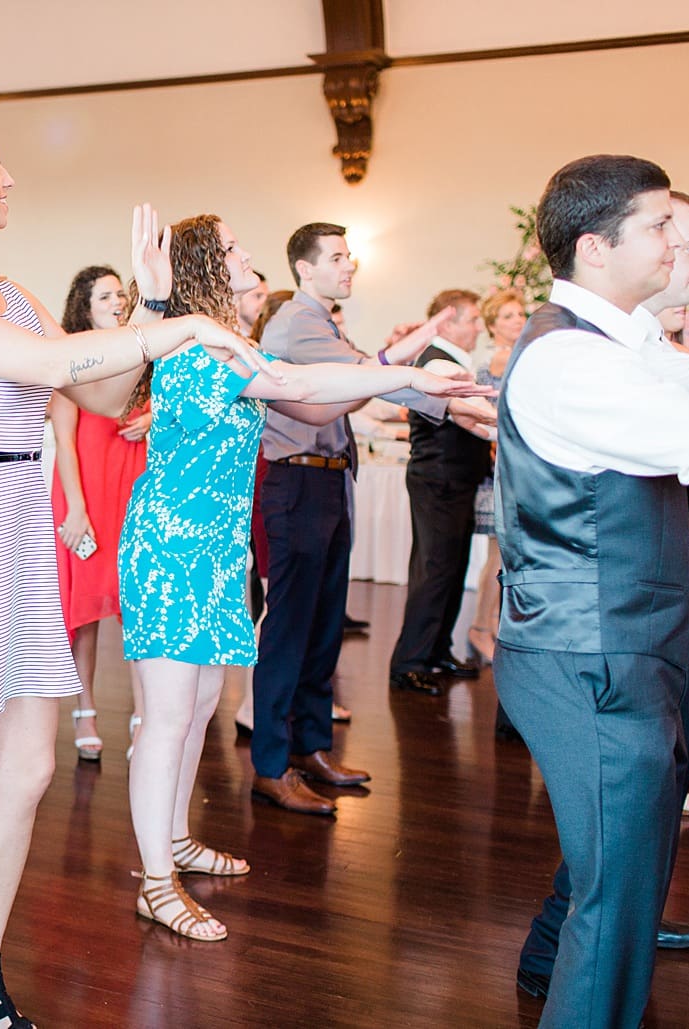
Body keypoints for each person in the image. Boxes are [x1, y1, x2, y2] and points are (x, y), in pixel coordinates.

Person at [0, 115, 272, 1028]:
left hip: (17, 527)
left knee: (27, 771)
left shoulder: (13, 292)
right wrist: (178, 320)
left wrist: (149, 309)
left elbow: (100, 396)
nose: (11, 180)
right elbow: (42, 363)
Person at [496, 155, 689, 1026]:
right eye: (659, 226)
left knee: (617, 858)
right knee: (619, 900)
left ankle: (539, 960)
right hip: (587, 648)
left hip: (632, 634)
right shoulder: (571, 358)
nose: (681, 240)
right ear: (596, 249)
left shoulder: (623, 342)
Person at [119, 213, 491, 942]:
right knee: (164, 718)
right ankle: (154, 882)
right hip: (169, 550)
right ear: (202, 266)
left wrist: (421, 390)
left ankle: (174, 838)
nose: (248, 256)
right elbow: (298, 379)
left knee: (195, 704)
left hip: (215, 550)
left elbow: (315, 401)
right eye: (232, 249)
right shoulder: (199, 344)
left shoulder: (228, 349)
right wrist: (411, 372)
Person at [248, 222, 493, 815]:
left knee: (324, 625)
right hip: (296, 481)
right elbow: (371, 376)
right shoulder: (293, 324)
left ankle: (311, 748)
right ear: (304, 269)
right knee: (289, 630)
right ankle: (271, 765)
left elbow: (370, 366)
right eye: (337, 257)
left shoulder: (324, 321)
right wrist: (452, 407)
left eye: (349, 256)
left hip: (329, 478)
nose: (350, 265)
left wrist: (433, 373)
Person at [47, 264, 148, 761]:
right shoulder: (75, 358)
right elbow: (63, 438)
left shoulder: (144, 356)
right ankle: (84, 709)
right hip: (85, 491)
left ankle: (143, 713)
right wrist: (77, 510)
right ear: (84, 307)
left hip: (134, 491)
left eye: (120, 295)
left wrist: (153, 415)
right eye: (106, 296)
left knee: (139, 607)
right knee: (86, 610)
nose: (117, 302)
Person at [388, 290, 493, 695]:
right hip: (439, 479)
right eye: (473, 320)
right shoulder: (436, 360)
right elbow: (464, 415)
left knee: (451, 569)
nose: (479, 328)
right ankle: (410, 661)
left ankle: (437, 650)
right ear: (447, 322)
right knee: (434, 571)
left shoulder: (450, 359)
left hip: (454, 479)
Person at [467, 288, 525, 668]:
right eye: (507, 316)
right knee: (498, 555)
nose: (517, 320)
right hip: (500, 467)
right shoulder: (505, 358)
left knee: (502, 555)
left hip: (511, 466)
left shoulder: (512, 355)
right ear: (491, 326)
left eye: (520, 314)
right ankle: (481, 627)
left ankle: (489, 626)